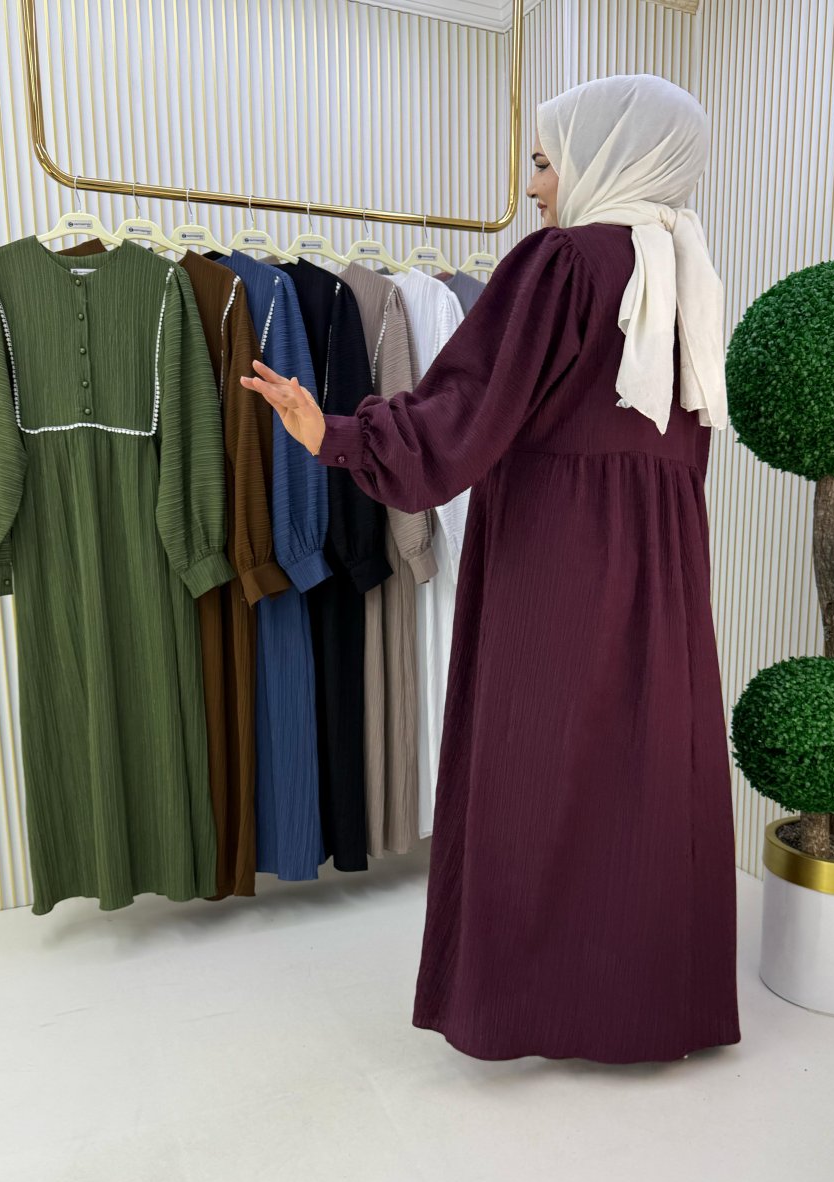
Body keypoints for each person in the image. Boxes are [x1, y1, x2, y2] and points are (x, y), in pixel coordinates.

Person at [242, 74, 740, 1064]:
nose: (537, 188)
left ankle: (526, 1006)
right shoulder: (688, 274)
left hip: (561, 559)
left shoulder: (562, 263)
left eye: (547, 163)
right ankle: (647, 1011)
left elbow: (460, 418)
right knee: (640, 776)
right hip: (663, 569)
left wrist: (335, 434)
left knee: (532, 772)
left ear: (608, 159)